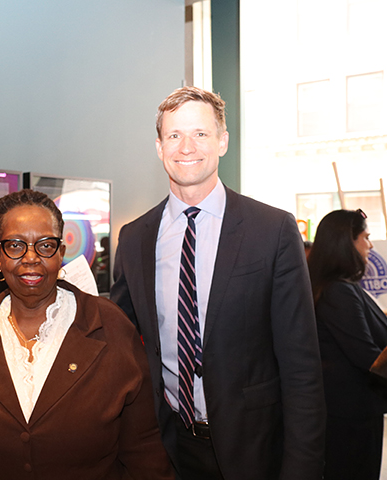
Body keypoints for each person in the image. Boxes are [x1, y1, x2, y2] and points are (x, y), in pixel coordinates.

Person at [110, 86, 326, 480]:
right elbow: (119, 337)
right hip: (166, 447)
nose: (186, 147)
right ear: (159, 147)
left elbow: (302, 366)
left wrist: (302, 469)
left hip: (253, 449)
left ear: (222, 142)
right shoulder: (135, 237)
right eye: (174, 135)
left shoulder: (272, 230)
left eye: (200, 134)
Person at [0, 189, 174, 480]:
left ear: (61, 252)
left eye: (45, 245)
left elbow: (144, 449)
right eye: (15, 245)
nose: (31, 258)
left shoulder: (110, 326)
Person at [308, 209, 387, 480]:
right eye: (365, 237)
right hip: (349, 415)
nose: (370, 245)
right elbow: (366, 355)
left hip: (353, 410)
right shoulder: (338, 291)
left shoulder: (342, 286)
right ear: (348, 241)